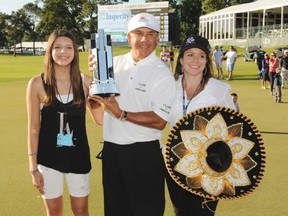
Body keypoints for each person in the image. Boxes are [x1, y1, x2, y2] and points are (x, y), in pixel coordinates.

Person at [88, 13, 176, 216]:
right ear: (128, 37)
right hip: (112, 153)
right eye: (138, 33)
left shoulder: (162, 72)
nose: (144, 39)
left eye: (150, 34)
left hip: (144, 154)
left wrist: (121, 113)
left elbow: (160, 121)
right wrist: (91, 91)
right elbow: (100, 119)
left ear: (157, 38)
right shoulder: (112, 65)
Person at [26, 29, 102, 216]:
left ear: (75, 52)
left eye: (69, 47)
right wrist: (33, 168)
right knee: (54, 212)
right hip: (48, 159)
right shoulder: (37, 83)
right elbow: (33, 129)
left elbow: (100, 119)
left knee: (81, 211)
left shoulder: (86, 82)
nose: (63, 52)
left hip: (79, 157)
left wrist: (98, 84)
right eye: (57, 47)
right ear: (50, 51)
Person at [166, 34, 236, 216]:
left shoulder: (219, 90)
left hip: (211, 166)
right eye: (190, 55)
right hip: (175, 164)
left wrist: (221, 170)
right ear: (181, 59)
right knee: (181, 212)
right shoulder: (168, 86)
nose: (195, 60)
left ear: (207, 61)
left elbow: (234, 131)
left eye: (201, 55)